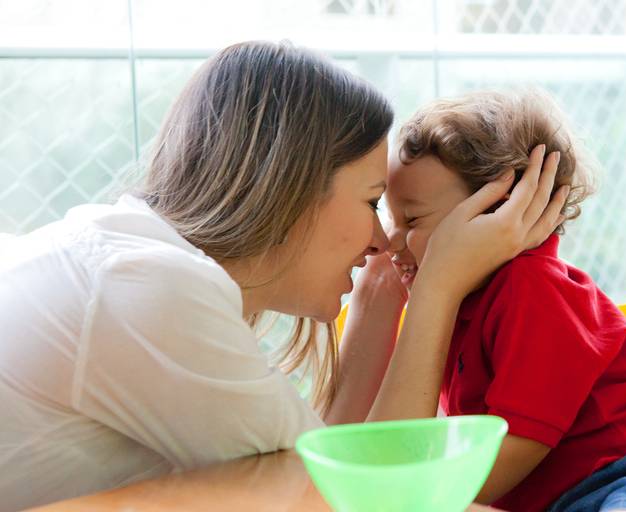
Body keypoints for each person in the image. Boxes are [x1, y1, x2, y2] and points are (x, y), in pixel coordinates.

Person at [0, 42, 567, 510]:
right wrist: (439, 286)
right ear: (291, 194)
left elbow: (316, 469)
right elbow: (367, 502)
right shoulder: (154, 290)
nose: (380, 241)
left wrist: (376, 308)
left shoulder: (134, 262)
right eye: (373, 203)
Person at [380, 89, 626, 511]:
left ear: (500, 212)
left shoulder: (531, 285)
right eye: (390, 216)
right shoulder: (449, 307)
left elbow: (520, 442)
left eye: (412, 218)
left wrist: (425, 495)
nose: (391, 239)